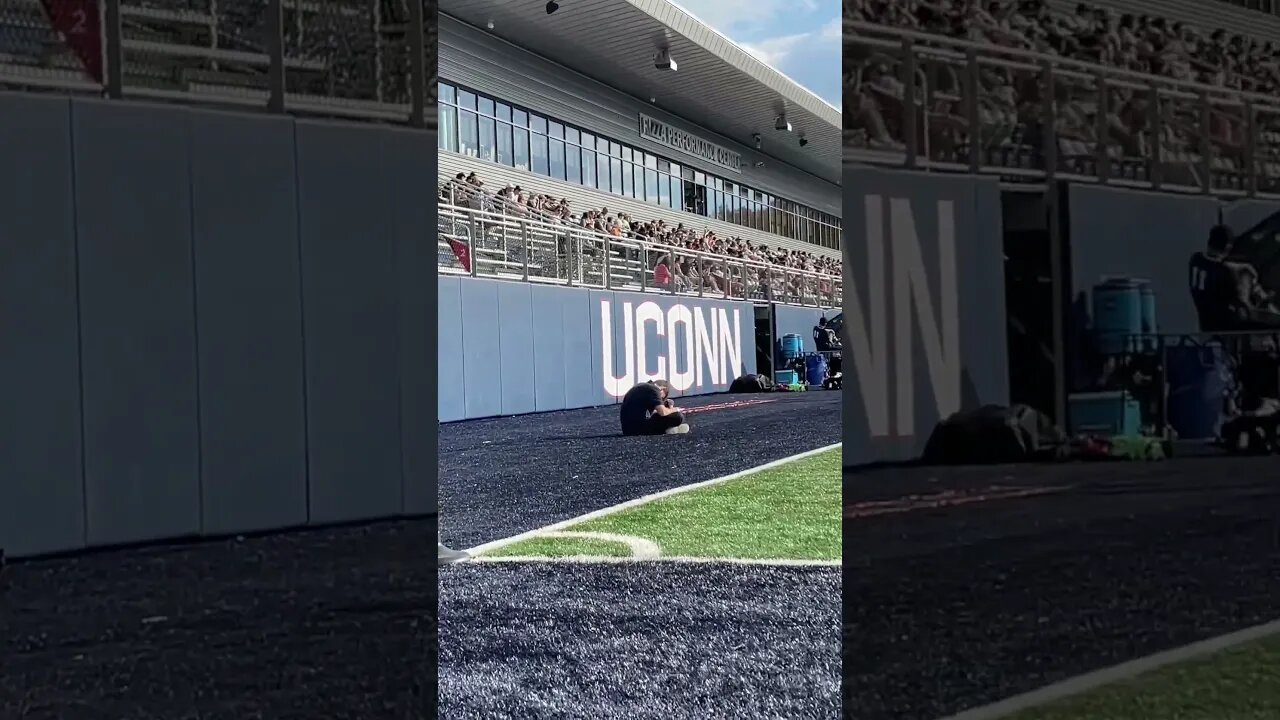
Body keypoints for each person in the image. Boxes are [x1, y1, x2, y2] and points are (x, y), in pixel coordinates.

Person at [620, 380, 689, 435]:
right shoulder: (655, 390)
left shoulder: (641, 386)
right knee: (678, 416)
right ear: (662, 390)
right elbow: (663, 412)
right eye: (662, 397)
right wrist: (675, 409)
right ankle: (668, 430)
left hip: (627, 429)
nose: (660, 399)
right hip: (638, 429)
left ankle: (667, 429)